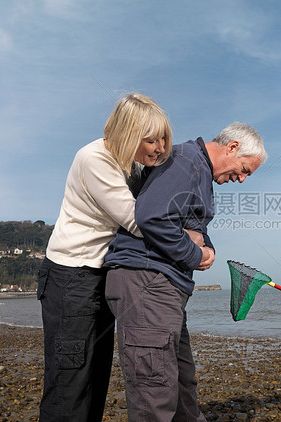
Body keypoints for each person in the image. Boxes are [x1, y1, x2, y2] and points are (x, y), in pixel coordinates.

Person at [104, 121, 267, 421]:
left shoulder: (199, 171)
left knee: (182, 383)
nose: (242, 179)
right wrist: (195, 253)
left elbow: (188, 224)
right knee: (155, 393)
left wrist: (208, 248)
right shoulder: (186, 162)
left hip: (164, 288)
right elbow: (151, 216)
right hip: (147, 283)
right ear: (232, 148)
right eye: (245, 169)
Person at [36, 93, 173, 422]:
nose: (160, 147)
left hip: (99, 276)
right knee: (70, 381)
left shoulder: (131, 166)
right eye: (151, 139)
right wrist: (191, 241)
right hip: (72, 278)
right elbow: (139, 222)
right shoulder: (94, 159)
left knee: (95, 378)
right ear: (128, 134)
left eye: (164, 137)